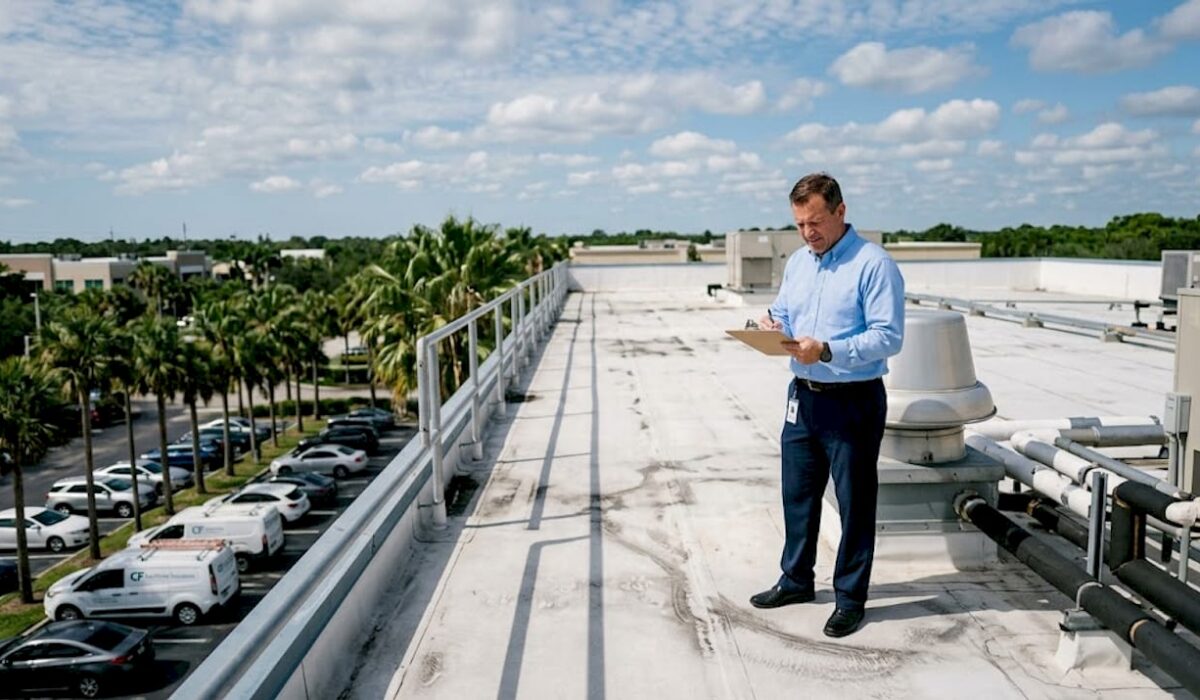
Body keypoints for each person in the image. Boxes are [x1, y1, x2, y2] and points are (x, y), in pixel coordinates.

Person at [749, 172, 905, 638]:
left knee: (854, 503)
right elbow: (785, 312)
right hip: (803, 397)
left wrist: (829, 351)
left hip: (853, 400)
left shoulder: (874, 265)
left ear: (841, 211)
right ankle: (796, 580)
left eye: (815, 222)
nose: (808, 232)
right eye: (799, 224)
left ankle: (850, 598)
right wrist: (770, 324)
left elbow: (888, 336)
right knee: (797, 495)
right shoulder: (799, 263)